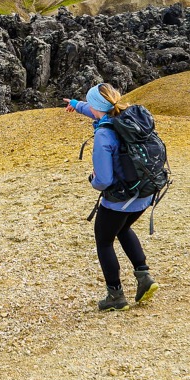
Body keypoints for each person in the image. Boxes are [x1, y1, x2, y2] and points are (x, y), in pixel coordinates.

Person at [65, 83, 157, 311]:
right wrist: (77, 105)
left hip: (119, 200)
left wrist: (92, 180)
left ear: (98, 106)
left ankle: (115, 296)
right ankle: (144, 277)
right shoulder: (128, 116)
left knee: (104, 241)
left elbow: (104, 180)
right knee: (123, 229)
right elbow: (98, 110)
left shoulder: (104, 135)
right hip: (144, 194)